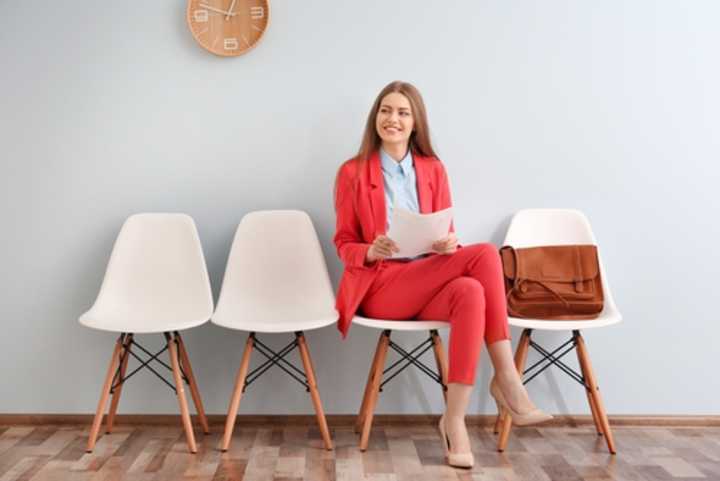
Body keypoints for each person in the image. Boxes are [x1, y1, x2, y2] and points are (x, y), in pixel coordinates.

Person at [333, 81, 552, 468]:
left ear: (416, 122)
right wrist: (370, 249)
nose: (393, 119)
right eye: (386, 110)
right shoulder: (352, 172)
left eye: (402, 112)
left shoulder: (433, 170)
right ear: (375, 117)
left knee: (469, 289)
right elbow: (343, 241)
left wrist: (446, 245)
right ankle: (507, 378)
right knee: (484, 254)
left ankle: (454, 421)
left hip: (427, 277)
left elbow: (444, 232)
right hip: (382, 285)